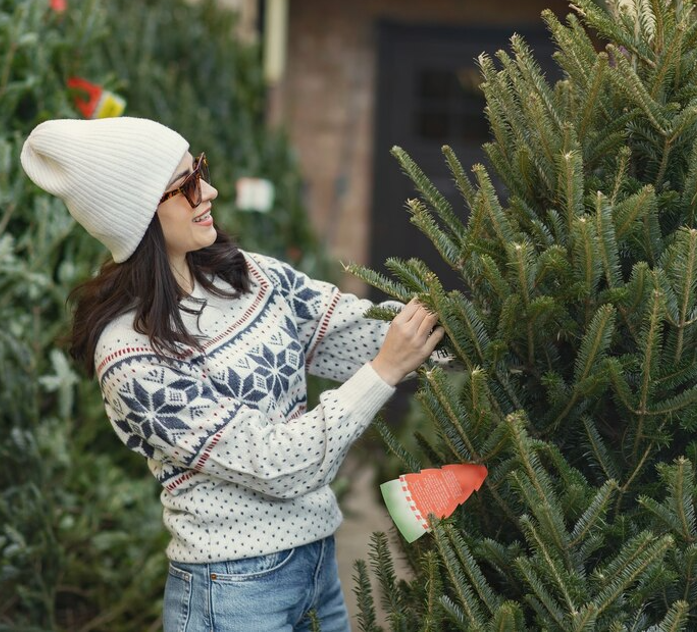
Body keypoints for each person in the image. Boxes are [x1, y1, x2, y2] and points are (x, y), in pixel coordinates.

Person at [20, 116, 445, 632]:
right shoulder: (129, 355)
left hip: (316, 569)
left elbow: (355, 331)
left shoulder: (246, 274)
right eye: (187, 184)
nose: (210, 190)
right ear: (138, 215)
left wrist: (478, 332)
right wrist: (385, 372)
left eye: (198, 168)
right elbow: (275, 464)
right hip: (235, 594)